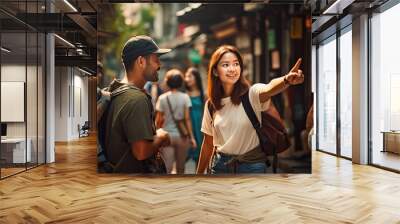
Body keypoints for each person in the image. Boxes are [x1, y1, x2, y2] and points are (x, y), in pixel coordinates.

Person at [196, 45, 304, 174]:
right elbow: (208, 143)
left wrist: (286, 80)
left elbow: (269, 88)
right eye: (225, 65)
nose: (232, 69)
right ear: (215, 71)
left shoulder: (252, 94)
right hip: (220, 166)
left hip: (252, 166)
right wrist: (198, 176)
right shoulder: (211, 104)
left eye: (236, 64)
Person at [103, 35, 171, 173]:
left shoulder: (113, 89)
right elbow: (141, 152)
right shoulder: (136, 99)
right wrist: (161, 137)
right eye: (155, 59)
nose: (159, 64)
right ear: (141, 61)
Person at [155, 69, 196, 174]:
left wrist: (155, 136)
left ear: (168, 82)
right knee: (181, 169)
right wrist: (191, 137)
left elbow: (158, 120)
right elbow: (187, 119)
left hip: (166, 137)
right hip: (182, 137)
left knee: (167, 169)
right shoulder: (185, 97)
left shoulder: (162, 98)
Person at [184, 67, 205, 164]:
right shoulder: (184, 94)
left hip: (200, 128)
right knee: (183, 159)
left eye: (189, 76)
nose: (187, 79)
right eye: (186, 76)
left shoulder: (203, 95)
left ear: (196, 78)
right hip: (187, 128)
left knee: (200, 158)